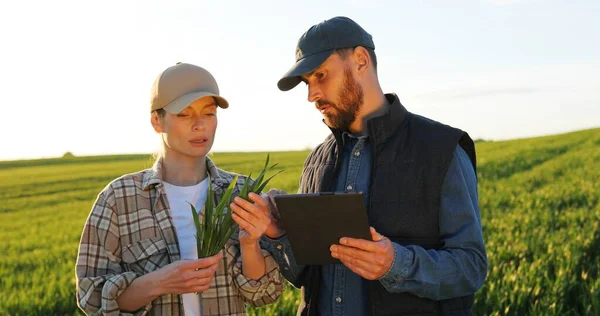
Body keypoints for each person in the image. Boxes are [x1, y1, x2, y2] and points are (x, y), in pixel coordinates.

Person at [238, 16, 488, 315]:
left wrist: (395, 263)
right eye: (307, 83)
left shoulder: (440, 149)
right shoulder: (316, 161)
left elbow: (471, 268)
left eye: (320, 75)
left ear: (360, 60)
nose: (311, 95)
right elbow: (308, 276)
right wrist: (279, 234)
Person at [75, 62, 284, 316]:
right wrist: (159, 283)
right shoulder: (118, 199)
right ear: (156, 121)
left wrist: (250, 244)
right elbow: (91, 298)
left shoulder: (242, 193)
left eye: (209, 113)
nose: (199, 125)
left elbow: (263, 294)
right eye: (184, 114)